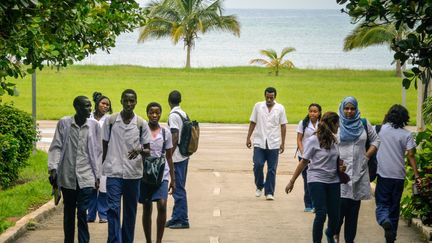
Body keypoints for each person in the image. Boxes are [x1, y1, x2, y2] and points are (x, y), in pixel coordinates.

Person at [48, 96, 102, 243]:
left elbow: (98, 152)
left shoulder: (94, 126)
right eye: (86, 106)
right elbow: (56, 146)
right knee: (69, 212)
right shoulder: (64, 123)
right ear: (76, 107)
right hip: (68, 176)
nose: (90, 109)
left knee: (82, 213)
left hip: (86, 177)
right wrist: (53, 168)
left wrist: (97, 176)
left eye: (91, 106)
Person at [102, 89, 151, 243]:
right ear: (121, 101)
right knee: (113, 210)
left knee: (130, 212)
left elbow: (148, 150)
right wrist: (100, 170)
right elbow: (103, 146)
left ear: (136, 102)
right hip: (114, 173)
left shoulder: (141, 124)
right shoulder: (110, 121)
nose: (129, 104)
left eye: (132, 101)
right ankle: (114, 240)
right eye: (126, 100)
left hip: (133, 175)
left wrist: (139, 150)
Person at [286, 111, 341, 243]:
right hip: (316, 179)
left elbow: (337, 160)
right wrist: (292, 181)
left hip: (333, 180)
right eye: (337, 124)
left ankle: (329, 232)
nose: (339, 126)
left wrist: (341, 168)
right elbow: (304, 161)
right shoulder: (313, 140)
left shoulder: (335, 140)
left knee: (335, 216)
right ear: (332, 124)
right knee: (321, 214)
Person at [335, 96, 380, 243]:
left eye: (352, 108)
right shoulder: (336, 124)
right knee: (339, 212)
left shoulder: (363, 123)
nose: (349, 111)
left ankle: (350, 240)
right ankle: (334, 235)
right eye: (346, 108)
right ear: (342, 108)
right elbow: (327, 143)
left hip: (359, 172)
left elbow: (376, 140)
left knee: (353, 213)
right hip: (339, 174)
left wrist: (366, 156)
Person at [375, 104, 421, 243]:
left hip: (384, 175)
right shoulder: (406, 134)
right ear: (404, 118)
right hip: (399, 176)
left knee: (382, 204)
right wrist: (416, 174)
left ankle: (384, 220)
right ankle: (391, 238)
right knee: (394, 208)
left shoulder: (380, 129)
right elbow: (411, 155)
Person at [140, 102, 176, 243]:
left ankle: (158, 240)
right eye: (151, 112)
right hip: (146, 173)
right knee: (147, 207)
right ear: (147, 113)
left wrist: (173, 179)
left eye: (157, 112)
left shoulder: (165, 132)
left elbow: (169, 156)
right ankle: (148, 240)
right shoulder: (142, 130)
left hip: (162, 173)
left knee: (161, 204)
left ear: (161, 113)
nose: (154, 115)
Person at [246, 87, 287, 200]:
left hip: (274, 143)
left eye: (271, 97)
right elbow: (253, 122)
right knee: (258, 165)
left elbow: (283, 125)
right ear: (264, 96)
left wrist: (283, 143)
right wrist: (248, 137)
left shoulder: (280, 108)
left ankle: (269, 192)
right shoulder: (258, 106)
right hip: (259, 142)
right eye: (267, 97)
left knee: (272, 169)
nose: (269, 99)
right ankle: (259, 185)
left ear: (275, 97)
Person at [165, 90, 191, 229]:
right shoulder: (183, 113)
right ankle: (176, 217)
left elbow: (174, 136)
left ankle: (182, 219)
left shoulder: (173, 116)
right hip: (184, 155)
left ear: (169, 101)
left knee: (178, 187)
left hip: (177, 157)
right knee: (178, 187)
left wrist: (169, 154)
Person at [87, 92, 112, 224]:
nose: (105, 106)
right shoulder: (88, 117)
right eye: (103, 103)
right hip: (90, 155)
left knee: (103, 186)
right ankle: (90, 214)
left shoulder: (109, 120)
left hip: (104, 156)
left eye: (108, 105)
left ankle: (103, 214)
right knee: (91, 186)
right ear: (97, 104)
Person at [296, 103, 322, 212]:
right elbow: (299, 139)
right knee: (307, 180)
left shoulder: (322, 124)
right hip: (304, 157)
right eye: (311, 111)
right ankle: (308, 204)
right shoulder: (303, 123)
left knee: (315, 180)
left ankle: (316, 203)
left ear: (319, 113)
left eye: (315, 111)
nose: (312, 113)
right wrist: (303, 153)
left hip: (317, 157)